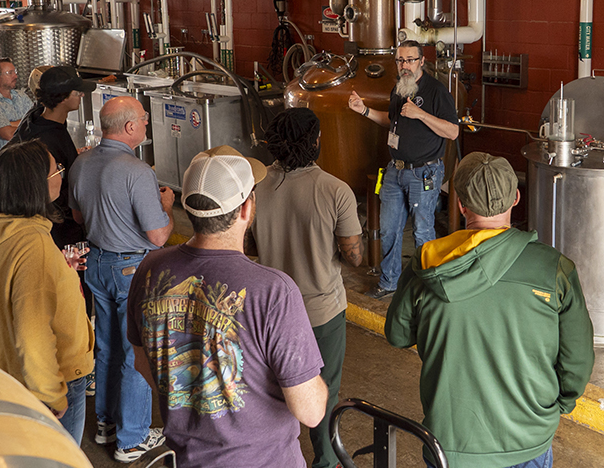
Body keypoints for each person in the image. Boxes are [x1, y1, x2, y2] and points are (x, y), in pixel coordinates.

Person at [385, 152, 594, 468]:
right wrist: (560, 405)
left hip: (450, 446)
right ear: (516, 199)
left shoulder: (427, 263)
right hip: (528, 441)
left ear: (460, 205)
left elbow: (398, 335)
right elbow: (577, 359)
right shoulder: (554, 270)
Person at [127, 145, 328, 468]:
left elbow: (143, 362)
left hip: (184, 459)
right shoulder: (274, 290)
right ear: (247, 208)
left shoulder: (150, 269)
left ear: (186, 206)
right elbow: (311, 411)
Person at [249, 108, 363, 468]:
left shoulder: (255, 186)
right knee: (322, 393)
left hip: (269, 311)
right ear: (315, 142)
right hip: (321, 312)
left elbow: (249, 247)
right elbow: (355, 256)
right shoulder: (335, 190)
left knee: (271, 390)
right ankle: (325, 463)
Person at [68, 95, 174, 463]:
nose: (146, 124)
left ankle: (105, 423)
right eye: (144, 119)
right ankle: (132, 440)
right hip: (131, 269)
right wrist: (167, 207)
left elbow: (79, 217)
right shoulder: (137, 170)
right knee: (134, 352)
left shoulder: (80, 164)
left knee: (108, 346)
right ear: (130, 127)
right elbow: (159, 236)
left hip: (96, 264)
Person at [0, 140, 94, 444]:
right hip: (51, 378)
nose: (61, 176)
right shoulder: (33, 244)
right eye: (57, 171)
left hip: (8, 372)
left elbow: (8, 289)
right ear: (36, 185)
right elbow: (32, 332)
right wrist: (51, 394)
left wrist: (57, 267)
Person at [348, 40, 459, 299]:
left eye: (410, 60)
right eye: (400, 60)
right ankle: (389, 282)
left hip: (424, 173)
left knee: (422, 232)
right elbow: (392, 121)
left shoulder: (436, 90)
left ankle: (427, 288)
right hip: (395, 171)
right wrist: (363, 110)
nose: (404, 65)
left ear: (422, 61)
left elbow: (452, 131)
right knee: (388, 229)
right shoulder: (399, 88)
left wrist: (420, 114)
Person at [12, 65, 96, 249]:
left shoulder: (36, 118)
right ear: (63, 97)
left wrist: (73, 156)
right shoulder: (47, 139)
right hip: (58, 229)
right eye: (77, 92)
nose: (82, 96)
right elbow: (49, 190)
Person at [0, 57, 33, 157]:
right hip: (5, 163)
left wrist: (11, 124)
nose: (15, 76)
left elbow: (37, 121)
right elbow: (8, 135)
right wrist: (28, 122)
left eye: (15, 72)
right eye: (10, 73)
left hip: (28, 159)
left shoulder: (22, 97)